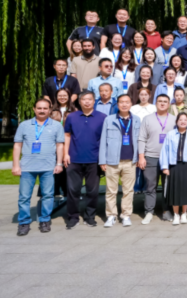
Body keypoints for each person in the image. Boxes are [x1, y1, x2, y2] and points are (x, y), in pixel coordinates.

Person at [12, 98, 65, 236]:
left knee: (48, 195)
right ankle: (24, 222)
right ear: (34, 109)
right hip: (27, 167)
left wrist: (59, 163)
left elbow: (60, 145)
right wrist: (16, 165)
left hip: (48, 167)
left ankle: (45, 220)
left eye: (45, 108)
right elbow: (17, 145)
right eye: (39, 108)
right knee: (24, 197)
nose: (42, 111)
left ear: (50, 110)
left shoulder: (57, 125)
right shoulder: (24, 125)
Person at [63, 91, 107, 228]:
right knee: (73, 190)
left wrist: (103, 159)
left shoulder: (102, 117)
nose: (87, 102)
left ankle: (90, 216)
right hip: (74, 159)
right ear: (79, 101)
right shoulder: (71, 117)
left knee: (92, 191)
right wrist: (65, 154)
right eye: (84, 99)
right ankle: (73, 217)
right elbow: (67, 135)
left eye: (90, 99)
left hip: (94, 160)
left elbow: (105, 139)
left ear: (94, 101)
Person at [99, 94, 141, 228]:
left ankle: (126, 215)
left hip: (130, 161)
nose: (124, 104)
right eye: (121, 102)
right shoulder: (109, 119)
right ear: (117, 104)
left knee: (128, 190)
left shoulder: (136, 120)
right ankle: (111, 215)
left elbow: (140, 140)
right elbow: (103, 141)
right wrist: (102, 160)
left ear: (131, 104)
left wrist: (139, 157)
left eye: (127, 102)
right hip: (112, 161)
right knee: (111, 190)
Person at [138, 94, 177, 224]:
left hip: (169, 159)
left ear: (169, 104)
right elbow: (141, 138)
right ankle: (149, 211)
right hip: (151, 157)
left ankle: (166, 210)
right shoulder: (147, 119)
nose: (162, 103)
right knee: (151, 186)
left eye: (165, 101)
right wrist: (141, 156)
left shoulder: (174, 119)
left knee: (167, 186)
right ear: (155, 103)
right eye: (160, 101)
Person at [159, 112, 187, 225]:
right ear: (176, 121)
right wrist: (165, 167)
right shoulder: (170, 134)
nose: (183, 122)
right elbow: (165, 151)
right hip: (174, 166)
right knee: (175, 191)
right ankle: (176, 214)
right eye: (180, 119)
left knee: (185, 191)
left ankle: (184, 214)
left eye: (185, 120)